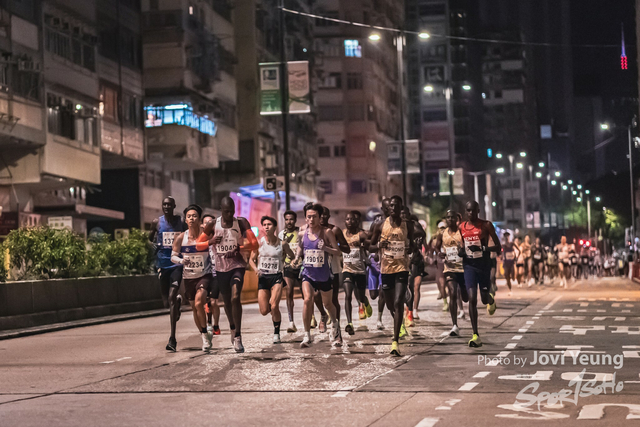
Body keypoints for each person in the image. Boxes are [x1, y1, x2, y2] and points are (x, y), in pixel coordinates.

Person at [212, 196, 259, 353]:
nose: (229, 214)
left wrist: (239, 248)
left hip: (237, 265)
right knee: (226, 301)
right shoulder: (213, 224)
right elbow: (199, 243)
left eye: (232, 211)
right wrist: (211, 241)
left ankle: (238, 336)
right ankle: (232, 327)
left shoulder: (241, 222)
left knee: (235, 297)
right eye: (226, 211)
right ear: (221, 210)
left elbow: (254, 243)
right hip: (220, 267)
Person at [370, 195, 415, 356]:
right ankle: (398, 321)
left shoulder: (408, 225)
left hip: (402, 268)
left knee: (397, 302)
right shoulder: (380, 225)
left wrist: (411, 250)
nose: (394, 208)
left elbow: (413, 244)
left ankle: (395, 342)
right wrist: (377, 246)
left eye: (397, 205)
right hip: (386, 270)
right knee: (390, 305)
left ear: (401, 207)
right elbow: (369, 246)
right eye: (391, 206)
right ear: (388, 209)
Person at [294, 203, 343, 348]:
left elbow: (337, 252)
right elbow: (300, 246)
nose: (311, 219)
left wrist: (326, 247)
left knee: (328, 304)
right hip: (308, 273)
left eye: (314, 216)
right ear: (306, 218)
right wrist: (297, 257)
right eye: (309, 216)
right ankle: (307, 335)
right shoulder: (302, 233)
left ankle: (335, 325)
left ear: (319, 217)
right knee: (307, 299)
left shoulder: (327, 232)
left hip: (323, 274)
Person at [170, 205, 215, 352]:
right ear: (185, 219)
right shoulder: (181, 238)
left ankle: (205, 336)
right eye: (188, 216)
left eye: (194, 216)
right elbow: (173, 256)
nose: (191, 218)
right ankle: (204, 333)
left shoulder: (207, 235)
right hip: (189, 277)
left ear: (199, 219)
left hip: (204, 275)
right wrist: (181, 261)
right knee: (195, 310)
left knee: (198, 303)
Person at [459, 201, 501, 348]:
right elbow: (461, 245)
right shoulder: (461, 227)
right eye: (468, 211)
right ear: (466, 212)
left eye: (473, 211)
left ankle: (490, 299)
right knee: (471, 298)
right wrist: (461, 251)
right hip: (469, 266)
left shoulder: (486, 225)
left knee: (483, 299)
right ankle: (475, 334)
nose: (471, 213)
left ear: (478, 211)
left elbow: (498, 247)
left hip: (483, 266)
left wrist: (483, 248)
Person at [149, 196, 187, 352]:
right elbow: (149, 238)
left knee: (170, 297)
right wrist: (152, 245)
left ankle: (172, 339)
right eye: (164, 204)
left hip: (176, 264)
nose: (166, 206)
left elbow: (188, 238)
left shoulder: (181, 223)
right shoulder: (156, 222)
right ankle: (177, 302)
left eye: (169, 204)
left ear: (174, 206)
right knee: (166, 302)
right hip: (162, 265)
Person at [250, 216, 295, 344]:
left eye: (269, 224)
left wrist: (287, 261)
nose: (266, 227)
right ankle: (274, 315)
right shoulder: (260, 243)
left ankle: (276, 333)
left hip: (277, 276)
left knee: (274, 305)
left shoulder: (282, 243)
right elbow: (251, 260)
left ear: (275, 227)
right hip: (263, 277)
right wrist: (256, 269)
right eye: (264, 224)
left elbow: (291, 255)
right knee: (264, 311)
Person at [435, 210, 467, 337]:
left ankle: (464, 300)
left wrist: (462, 251)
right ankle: (454, 325)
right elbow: (437, 246)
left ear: (457, 219)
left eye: (452, 217)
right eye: (447, 217)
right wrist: (440, 253)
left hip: (464, 268)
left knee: (465, 296)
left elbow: (468, 246)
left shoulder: (462, 232)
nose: (450, 220)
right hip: (450, 268)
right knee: (452, 293)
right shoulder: (442, 233)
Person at [320, 207, 350, 330]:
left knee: (333, 298)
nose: (322, 218)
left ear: (328, 216)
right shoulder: (312, 230)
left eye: (325, 215)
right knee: (315, 295)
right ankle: (323, 314)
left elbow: (347, 248)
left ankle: (335, 326)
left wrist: (334, 245)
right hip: (317, 267)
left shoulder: (335, 230)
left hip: (333, 267)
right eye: (320, 215)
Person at [342, 211, 372, 334]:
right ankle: (349, 323)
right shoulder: (342, 233)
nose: (350, 221)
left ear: (356, 222)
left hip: (360, 270)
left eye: (352, 219)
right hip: (347, 270)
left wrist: (365, 246)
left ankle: (365, 302)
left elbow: (372, 240)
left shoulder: (362, 235)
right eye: (347, 219)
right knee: (348, 295)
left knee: (360, 297)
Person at [367, 199, 390, 330]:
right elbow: (368, 243)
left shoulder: (399, 225)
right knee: (373, 295)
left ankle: (379, 319)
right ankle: (366, 304)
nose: (389, 210)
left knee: (382, 293)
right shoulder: (377, 224)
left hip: (386, 264)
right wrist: (377, 248)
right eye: (386, 207)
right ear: (383, 209)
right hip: (374, 264)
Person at [278, 210, 301, 333]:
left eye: (291, 219)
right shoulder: (281, 234)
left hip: (302, 267)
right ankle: (291, 322)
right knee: (289, 292)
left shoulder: (301, 232)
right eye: (286, 219)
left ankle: (312, 316)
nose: (289, 222)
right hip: (288, 267)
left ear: (295, 220)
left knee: (306, 294)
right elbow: (280, 252)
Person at [403, 209, 426, 326]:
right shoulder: (393, 227)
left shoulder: (413, 225)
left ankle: (411, 311)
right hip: (398, 261)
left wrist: (415, 238)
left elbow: (422, 234)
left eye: (405, 214)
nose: (403, 216)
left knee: (413, 285)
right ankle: (406, 309)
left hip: (414, 260)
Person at [202, 214, 222, 336]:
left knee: (214, 302)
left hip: (216, 274)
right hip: (204, 275)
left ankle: (216, 324)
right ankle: (208, 323)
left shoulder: (219, 238)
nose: (208, 225)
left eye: (210, 222)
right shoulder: (200, 240)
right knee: (205, 301)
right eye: (206, 223)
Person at [501, 232, 516, 296]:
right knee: (507, 275)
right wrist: (502, 257)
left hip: (512, 262)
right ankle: (510, 289)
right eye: (505, 236)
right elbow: (501, 252)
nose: (506, 238)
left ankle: (513, 277)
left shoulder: (512, 244)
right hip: (506, 262)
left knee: (512, 274)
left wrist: (515, 257)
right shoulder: (503, 245)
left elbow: (518, 251)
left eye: (508, 236)